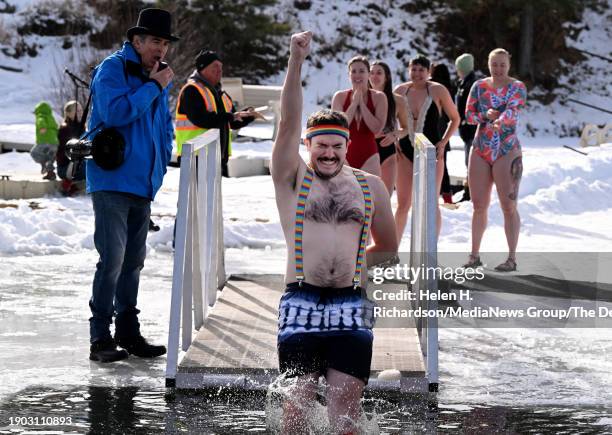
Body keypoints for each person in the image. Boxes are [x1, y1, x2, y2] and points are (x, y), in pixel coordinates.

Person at [272, 32, 398, 433]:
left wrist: (356, 264)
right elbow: (289, 120)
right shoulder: (292, 179)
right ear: (308, 146)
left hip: (350, 302)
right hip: (301, 300)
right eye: (320, 146)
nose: (328, 153)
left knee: (345, 413)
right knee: (296, 407)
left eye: (336, 147)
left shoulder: (369, 186)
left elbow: (390, 247)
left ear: (346, 148)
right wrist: (296, 59)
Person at [86, 8, 178, 363]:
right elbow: (114, 113)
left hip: (142, 183)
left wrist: (161, 162)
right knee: (112, 259)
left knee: (134, 261)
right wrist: (153, 86)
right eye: (155, 41)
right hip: (111, 180)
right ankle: (100, 338)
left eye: (165, 43)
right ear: (136, 41)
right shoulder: (113, 69)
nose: (162, 49)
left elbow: (163, 128)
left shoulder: (155, 75)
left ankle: (128, 332)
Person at [464, 48, 527, 272]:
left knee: (508, 205)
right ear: (488, 65)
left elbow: (513, 110)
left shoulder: (517, 87)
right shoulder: (479, 87)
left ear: (508, 65)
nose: (498, 69)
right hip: (481, 148)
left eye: (502, 64)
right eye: (494, 64)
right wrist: (485, 116)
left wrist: (499, 119)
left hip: (507, 148)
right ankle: (474, 256)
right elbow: (468, 116)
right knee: (479, 205)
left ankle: (511, 258)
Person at [394, 55, 459, 242]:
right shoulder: (399, 91)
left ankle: (430, 251)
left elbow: (455, 118)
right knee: (403, 204)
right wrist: (395, 138)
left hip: (432, 152)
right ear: (408, 70)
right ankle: (391, 253)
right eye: (414, 69)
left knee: (431, 204)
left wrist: (444, 141)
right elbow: (390, 119)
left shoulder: (437, 90)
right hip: (405, 151)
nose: (417, 73)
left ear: (429, 72)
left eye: (422, 70)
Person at [175, 49, 255, 177]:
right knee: (196, 197)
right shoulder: (192, 90)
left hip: (217, 157)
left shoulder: (220, 93)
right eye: (215, 67)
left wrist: (248, 115)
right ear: (203, 69)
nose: (220, 70)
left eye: (221, 67)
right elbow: (201, 119)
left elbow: (232, 122)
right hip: (194, 157)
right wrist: (230, 116)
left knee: (212, 197)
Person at [331, 56, 387, 176]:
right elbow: (339, 127)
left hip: (369, 156)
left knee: (370, 194)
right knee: (344, 194)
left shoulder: (379, 97)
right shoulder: (340, 97)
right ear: (349, 74)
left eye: (362, 71)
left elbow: (377, 128)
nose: (357, 75)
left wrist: (362, 104)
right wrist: (353, 104)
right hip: (344, 154)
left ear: (368, 74)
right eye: (353, 71)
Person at [368, 61, 410, 195]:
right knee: (365, 197)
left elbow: (406, 128)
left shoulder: (398, 100)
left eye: (379, 73)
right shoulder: (360, 97)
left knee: (385, 196)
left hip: (387, 150)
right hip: (366, 148)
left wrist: (395, 134)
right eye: (371, 72)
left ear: (387, 77)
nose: (374, 76)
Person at [430, 62, 456, 204]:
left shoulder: (433, 87)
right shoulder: (450, 87)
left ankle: (437, 196)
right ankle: (447, 197)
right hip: (444, 128)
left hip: (434, 127)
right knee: (442, 165)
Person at [455, 53, 478, 202]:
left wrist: (464, 120)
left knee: (470, 162)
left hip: (471, 129)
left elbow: (470, 106)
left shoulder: (471, 84)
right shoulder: (463, 82)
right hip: (466, 129)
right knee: (467, 162)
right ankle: (468, 191)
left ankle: (470, 193)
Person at [57, 100, 85, 195]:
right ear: (68, 113)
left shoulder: (82, 128)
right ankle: (68, 185)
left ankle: (74, 186)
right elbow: (66, 152)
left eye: (81, 110)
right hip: (66, 168)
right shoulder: (65, 129)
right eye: (77, 111)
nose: (80, 113)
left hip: (78, 165)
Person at [30, 101, 59, 180]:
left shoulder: (40, 116)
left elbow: (41, 123)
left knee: (34, 153)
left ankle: (44, 164)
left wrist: (42, 127)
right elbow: (56, 128)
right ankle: (50, 173)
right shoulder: (51, 118)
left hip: (44, 142)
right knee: (50, 157)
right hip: (54, 143)